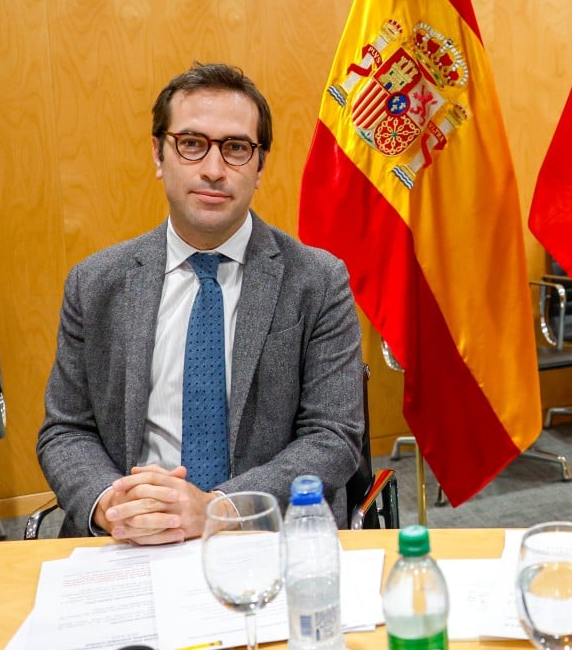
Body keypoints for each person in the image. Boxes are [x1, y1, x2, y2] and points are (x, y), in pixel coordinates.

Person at [37, 62, 364, 544]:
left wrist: (217, 509)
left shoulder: (317, 280)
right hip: (130, 540)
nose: (213, 170)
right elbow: (66, 430)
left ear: (260, 166)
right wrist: (111, 503)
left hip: (265, 533)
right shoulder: (95, 283)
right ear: (158, 153)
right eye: (192, 144)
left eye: (235, 149)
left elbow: (333, 436)